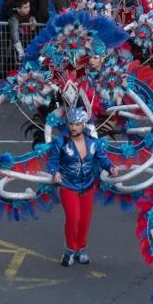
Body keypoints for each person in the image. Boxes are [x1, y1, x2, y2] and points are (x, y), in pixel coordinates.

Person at [47, 103, 102, 268]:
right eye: (71, 124)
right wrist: (54, 172)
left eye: (77, 124)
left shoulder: (93, 143)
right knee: (73, 219)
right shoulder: (60, 142)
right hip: (68, 186)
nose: (74, 127)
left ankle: (82, 249)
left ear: (83, 125)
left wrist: (111, 168)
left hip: (88, 187)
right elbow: (52, 161)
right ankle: (70, 250)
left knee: (85, 220)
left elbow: (102, 158)